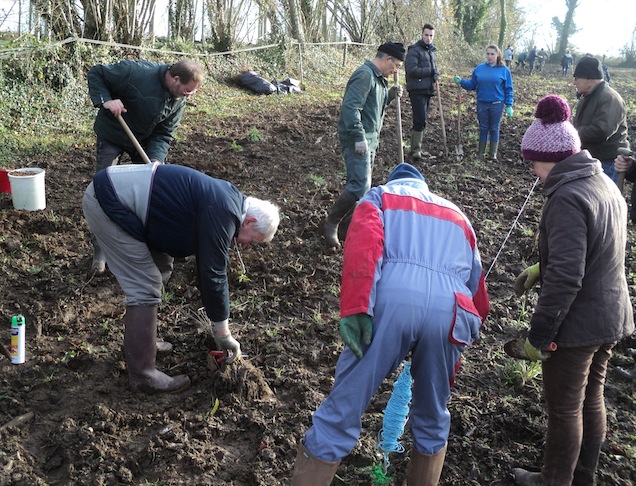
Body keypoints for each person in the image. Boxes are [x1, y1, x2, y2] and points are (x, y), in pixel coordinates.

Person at [292, 162, 490, 485]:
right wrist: (470, 330)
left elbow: (363, 248)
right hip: (450, 311)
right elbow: (477, 285)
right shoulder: (459, 217)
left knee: (343, 408)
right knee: (432, 414)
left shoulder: (380, 196)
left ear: (395, 181)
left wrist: (357, 309)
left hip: (392, 300)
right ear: (423, 186)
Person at [513, 95, 634, 486]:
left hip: (579, 323)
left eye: (534, 161)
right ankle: (583, 475)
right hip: (612, 315)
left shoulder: (566, 197)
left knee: (564, 407)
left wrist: (540, 335)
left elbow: (567, 277)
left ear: (555, 157)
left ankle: (554, 481)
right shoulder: (602, 181)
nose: (532, 169)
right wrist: (539, 267)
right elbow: (598, 248)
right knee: (591, 395)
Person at [82, 163, 280, 394]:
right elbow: (213, 272)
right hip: (109, 199)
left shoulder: (228, 201)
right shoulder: (225, 210)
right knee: (145, 286)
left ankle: (142, 343)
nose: (245, 245)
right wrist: (222, 332)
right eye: (252, 240)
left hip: (125, 201)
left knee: (161, 266)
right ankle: (143, 375)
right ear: (250, 222)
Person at [87, 58, 205, 275]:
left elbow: (164, 133)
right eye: (188, 90)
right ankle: (101, 252)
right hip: (113, 133)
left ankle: (149, 250)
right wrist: (106, 100)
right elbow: (97, 73)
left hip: (143, 141)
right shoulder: (135, 72)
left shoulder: (178, 99)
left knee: (152, 193)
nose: (190, 95)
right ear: (176, 79)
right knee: (104, 190)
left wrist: (155, 160)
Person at [324, 42, 405, 248]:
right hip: (358, 138)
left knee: (360, 183)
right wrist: (359, 136)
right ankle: (331, 222)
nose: (395, 70)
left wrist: (390, 95)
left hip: (370, 138)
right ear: (387, 59)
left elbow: (372, 106)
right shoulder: (365, 75)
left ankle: (344, 226)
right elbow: (350, 109)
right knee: (360, 185)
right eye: (396, 66)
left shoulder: (379, 80)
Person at [571, 56, 629, 183]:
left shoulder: (610, 98)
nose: (574, 82)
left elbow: (601, 131)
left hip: (607, 163)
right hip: (592, 159)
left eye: (576, 78)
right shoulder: (587, 97)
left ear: (589, 79)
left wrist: (572, 134)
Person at [454, 45, 514, 160]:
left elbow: (508, 89)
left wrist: (509, 105)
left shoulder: (504, 71)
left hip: (497, 104)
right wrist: (461, 82)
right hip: (482, 103)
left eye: (492, 54)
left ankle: (493, 154)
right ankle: (480, 153)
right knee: (483, 128)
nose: (490, 56)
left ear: (498, 55)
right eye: (488, 54)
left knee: (494, 128)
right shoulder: (479, 69)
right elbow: (472, 85)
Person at [405, 24, 440, 160]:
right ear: (422, 35)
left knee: (422, 119)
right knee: (420, 119)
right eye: (426, 35)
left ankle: (415, 148)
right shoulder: (414, 50)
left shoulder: (432, 51)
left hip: (427, 89)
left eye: (431, 35)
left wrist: (436, 74)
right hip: (417, 89)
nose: (428, 38)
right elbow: (412, 70)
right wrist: (430, 71)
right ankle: (415, 150)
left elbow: (433, 68)